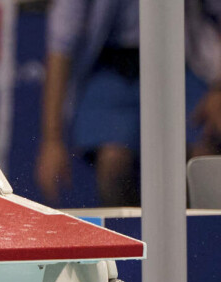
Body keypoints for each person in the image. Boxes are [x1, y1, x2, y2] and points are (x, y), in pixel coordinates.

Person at [36, 0, 221, 207]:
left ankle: (200, 236)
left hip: (183, 65)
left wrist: (218, 88)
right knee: (113, 164)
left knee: (200, 160)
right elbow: (61, 43)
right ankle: (133, 237)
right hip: (113, 69)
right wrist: (52, 140)